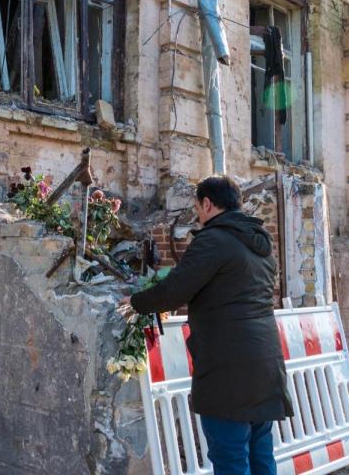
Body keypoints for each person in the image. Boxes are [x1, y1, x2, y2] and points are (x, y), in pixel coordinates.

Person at [119, 176, 293, 475]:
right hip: (265, 364)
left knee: (231, 459)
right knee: (261, 455)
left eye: (197, 206)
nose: (197, 213)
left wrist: (134, 303)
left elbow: (176, 289)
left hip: (228, 368)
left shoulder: (214, 240)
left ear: (208, 203)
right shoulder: (259, 245)